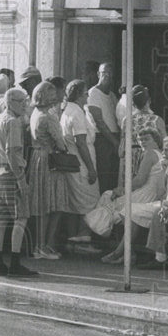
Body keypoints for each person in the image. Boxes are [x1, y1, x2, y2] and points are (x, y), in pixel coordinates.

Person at [95, 128, 166, 263]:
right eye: (140, 139)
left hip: (147, 193)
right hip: (150, 192)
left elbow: (140, 180)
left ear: (156, 140)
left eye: (147, 139)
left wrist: (121, 188)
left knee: (111, 199)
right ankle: (125, 251)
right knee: (111, 199)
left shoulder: (151, 154)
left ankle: (120, 249)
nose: (143, 142)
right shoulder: (158, 154)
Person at [0, 88, 37, 277]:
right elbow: (12, 152)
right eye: (21, 101)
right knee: (20, 217)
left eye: (25, 100)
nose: (25, 104)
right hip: (11, 173)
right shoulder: (13, 122)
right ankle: (15, 262)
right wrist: (20, 180)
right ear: (11, 102)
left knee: (0, 219)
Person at [27, 80, 70, 260]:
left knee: (42, 203)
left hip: (37, 158)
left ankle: (40, 245)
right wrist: (64, 146)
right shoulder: (49, 116)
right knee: (53, 204)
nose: (55, 97)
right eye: (52, 94)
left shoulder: (35, 113)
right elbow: (61, 143)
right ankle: (44, 245)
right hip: (50, 159)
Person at [59, 80, 99, 234]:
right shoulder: (75, 113)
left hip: (74, 161)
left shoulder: (70, 110)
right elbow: (81, 142)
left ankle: (74, 237)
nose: (87, 96)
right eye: (85, 93)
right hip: (81, 162)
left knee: (75, 201)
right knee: (88, 200)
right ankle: (83, 236)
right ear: (78, 95)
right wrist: (91, 169)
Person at [87, 62, 120, 193]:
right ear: (98, 74)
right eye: (104, 73)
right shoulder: (93, 93)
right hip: (103, 139)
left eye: (110, 73)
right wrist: (114, 141)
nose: (107, 76)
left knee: (114, 175)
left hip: (114, 137)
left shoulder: (112, 95)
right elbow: (98, 121)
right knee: (104, 176)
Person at [119, 85, 166, 172]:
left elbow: (121, 151)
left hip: (131, 158)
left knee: (132, 184)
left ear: (132, 103)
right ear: (149, 101)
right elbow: (165, 145)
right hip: (151, 158)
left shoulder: (126, 120)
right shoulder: (157, 120)